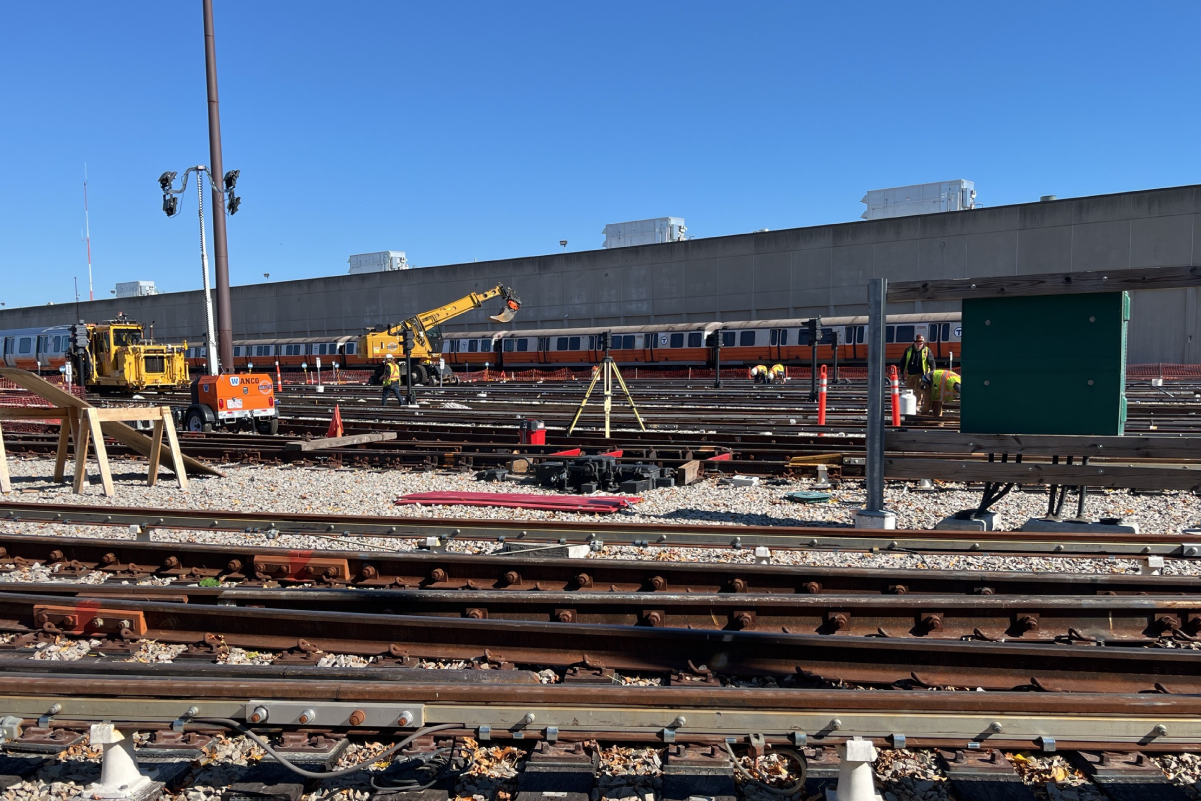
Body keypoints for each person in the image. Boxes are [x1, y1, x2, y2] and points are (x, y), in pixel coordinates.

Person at [898, 335, 933, 411]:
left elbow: (932, 362)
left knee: (918, 390)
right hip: (910, 374)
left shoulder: (926, 351)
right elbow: (903, 362)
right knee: (909, 390)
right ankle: (909, 405)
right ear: (914, 342)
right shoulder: (908, 350)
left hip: (921, 373)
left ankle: (917, 405)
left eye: (921, 342)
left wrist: (932, 374)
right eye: (918, 342)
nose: (919, 344)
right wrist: (901, 372)